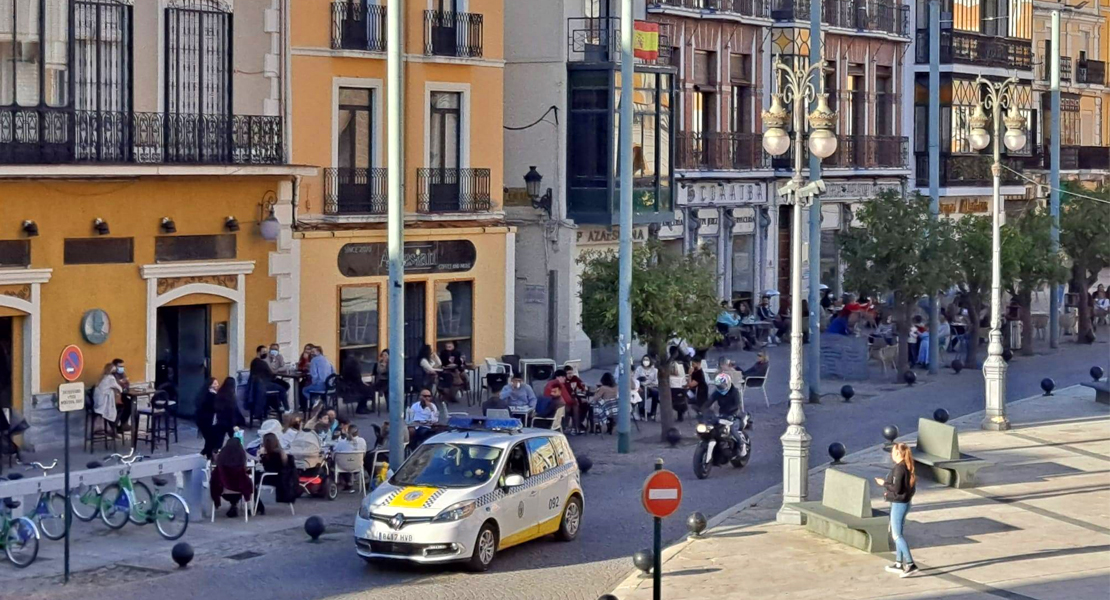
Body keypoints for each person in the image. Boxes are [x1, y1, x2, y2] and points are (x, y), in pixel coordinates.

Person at [876, 442, 918, 578]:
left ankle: (911, 564)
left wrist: (884, 485)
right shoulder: (906, 466)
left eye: (893, 452)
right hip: (904, 502)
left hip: (899, 504)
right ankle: (899, 563)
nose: (891, 454)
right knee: (899, 532)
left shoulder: (900, 469)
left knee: (897, 536)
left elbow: (897, 488)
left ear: (898, 454)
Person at [254, 432, 296, 515]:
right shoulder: (282, 453)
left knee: (251, 480)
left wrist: (261, 456)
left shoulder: (272, 455)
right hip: (282, 478)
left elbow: (267, 468)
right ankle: (257, 507)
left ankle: (258, 506)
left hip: (273, 478)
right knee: (253, 478)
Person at [211, 436, 253, 518]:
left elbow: (214, 479)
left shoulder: (221, 466)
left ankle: (233, 505)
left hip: (223, 489)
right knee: (250, 481)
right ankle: (254, 507)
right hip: (240, 488)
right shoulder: (240, 464)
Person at [209, 378, 245, 458]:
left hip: (220, 422)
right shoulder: (231, 397)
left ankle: (214, 458)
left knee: (218, 443)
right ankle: (238, 456)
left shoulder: (219, 394)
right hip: (230, 423)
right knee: (236, 442)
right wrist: (235, 425)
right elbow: (233, 413)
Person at [250, 345, 287, 416]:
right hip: (264, 384)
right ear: (258, 352)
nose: (265, 353)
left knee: (283, 385)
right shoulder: (262, 363)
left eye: (266, 352)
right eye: (263, 352)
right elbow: (271, 373)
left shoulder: (254, 361)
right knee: (282, 389)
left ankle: (276, 406)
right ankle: (286, 408)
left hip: (259, 384)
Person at [93, 363, 123, 435]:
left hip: (97, 402)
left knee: (116, 407)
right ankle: (113, 428)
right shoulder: (110, 378)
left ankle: (112, 427)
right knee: (120, 408)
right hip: (103, 402)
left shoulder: (102, 377)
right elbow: (119, 388)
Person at [196, 377, 219, 459]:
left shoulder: (203, 394)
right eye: (215, 384)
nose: (217, 385)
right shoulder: (212, 396)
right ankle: (207, 456)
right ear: (210, 385)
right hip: (207, 420)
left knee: (209, 440)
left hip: (202, 420)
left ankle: (204, 454)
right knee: (211, 440)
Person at [634, 356, 660, 420]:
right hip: (641, 387)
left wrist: (649, 384)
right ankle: (642, 412)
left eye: (647, 360)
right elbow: (634, 379)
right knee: (642, 394)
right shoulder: (639, 369)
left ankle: (653, 413)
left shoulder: (654, 370)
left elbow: (656, 381)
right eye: (644, 359)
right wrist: (639, 381)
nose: (645, 361)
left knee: (656, 393)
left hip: (652, 387)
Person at [668, 354, 688, 422]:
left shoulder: (681, 375)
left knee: (682, 397)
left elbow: (684, 385)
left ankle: (681, 414)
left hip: (680, 391)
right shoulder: (667, 378)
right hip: (671, 393)